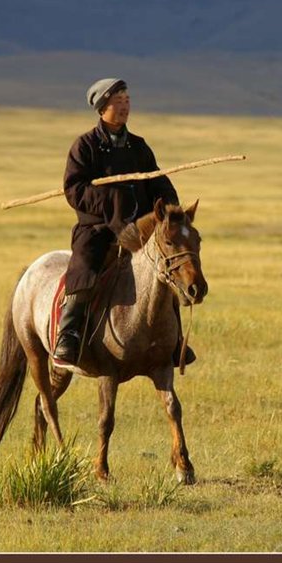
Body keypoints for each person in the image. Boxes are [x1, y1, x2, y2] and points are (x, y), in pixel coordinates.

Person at [54, 78, 196, 367]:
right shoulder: (85, 146)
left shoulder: (138, 147)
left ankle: (174, 340)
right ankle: (68, 335)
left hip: (139, 231)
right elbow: (74, 189)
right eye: (118, 101)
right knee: (84, 267)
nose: (124, 106)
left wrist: (171, 209)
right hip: (98, 229)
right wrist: (111, 201)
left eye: (127, 100)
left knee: (164, 270)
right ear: (102, 108)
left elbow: (158, 180)